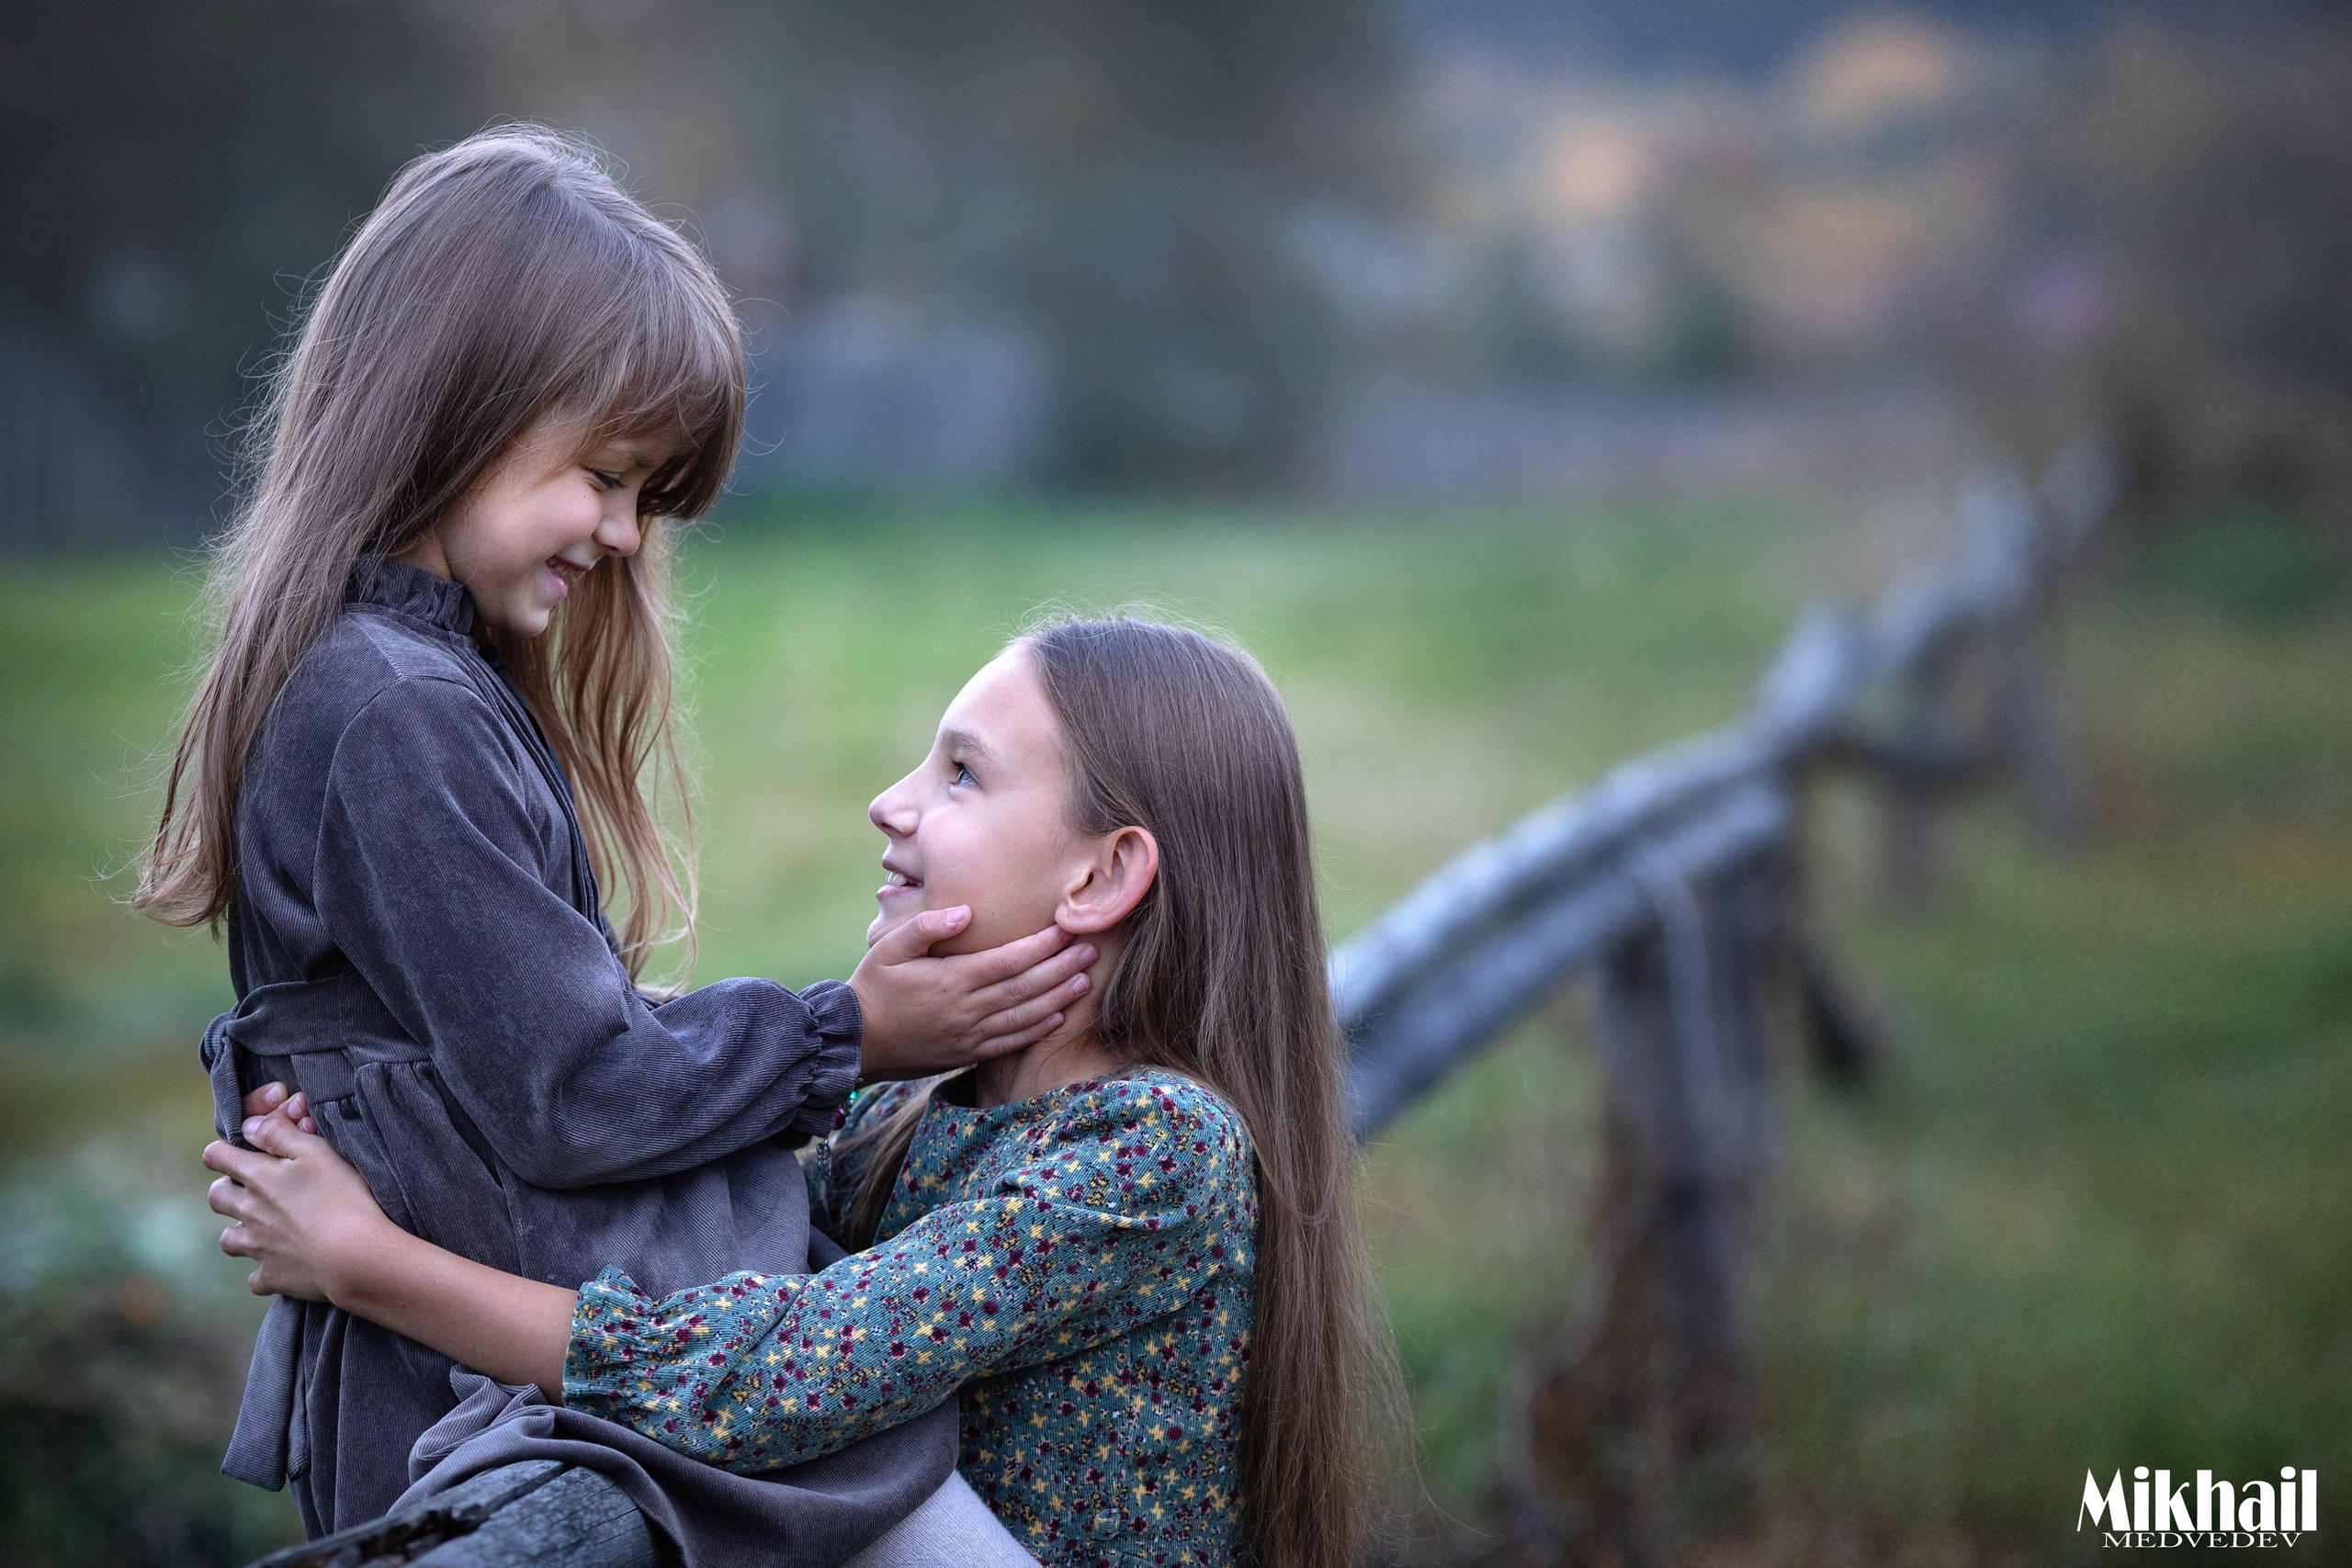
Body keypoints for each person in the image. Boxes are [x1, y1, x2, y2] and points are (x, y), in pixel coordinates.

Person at [137, 126, 1094, 1547]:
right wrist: (853, 1038)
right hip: (510, 1410)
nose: (627, 535)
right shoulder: (392, 711)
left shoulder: (414, 687)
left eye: (651, 497)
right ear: (459, 396)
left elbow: (529, 1039)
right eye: (610, 473)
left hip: (525, 1371)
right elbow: (572, 1087)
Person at [210, 616, 1407, 1568]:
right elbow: (674, 1246)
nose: (892, 801)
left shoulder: (1149, 1151)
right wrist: (415, 1148)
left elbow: (759, 1376)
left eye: (961, 775)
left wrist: (369, 1262)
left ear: (1103, 872)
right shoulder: (908, 1121)